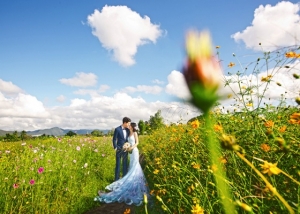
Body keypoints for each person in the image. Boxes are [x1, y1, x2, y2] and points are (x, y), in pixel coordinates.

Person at [95, 122, 150, 206]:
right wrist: (126, 146)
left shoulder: (135, 133)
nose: (129, 126)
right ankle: (131, 180)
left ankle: (135, 182)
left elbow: (137, 143)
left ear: (132, 126)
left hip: (134, 151)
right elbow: (126, 141)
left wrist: (131, 147)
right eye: (128, 125)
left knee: (136, 166)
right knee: (131, 166)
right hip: (130, 152)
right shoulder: (129, 132)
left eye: (130, 125)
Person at [112, 117, 131, 181]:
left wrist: (128, 146)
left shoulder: (128, 130)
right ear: (125, 122)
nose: (129, 125)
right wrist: (115, 147)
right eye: (128, 123)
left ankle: (124, 179)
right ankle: (116, 179)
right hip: (119, 149)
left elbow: (128, 139)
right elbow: (114, 139)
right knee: (118, 165)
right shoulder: (117, 129)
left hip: (126, 149)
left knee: (125, 164)